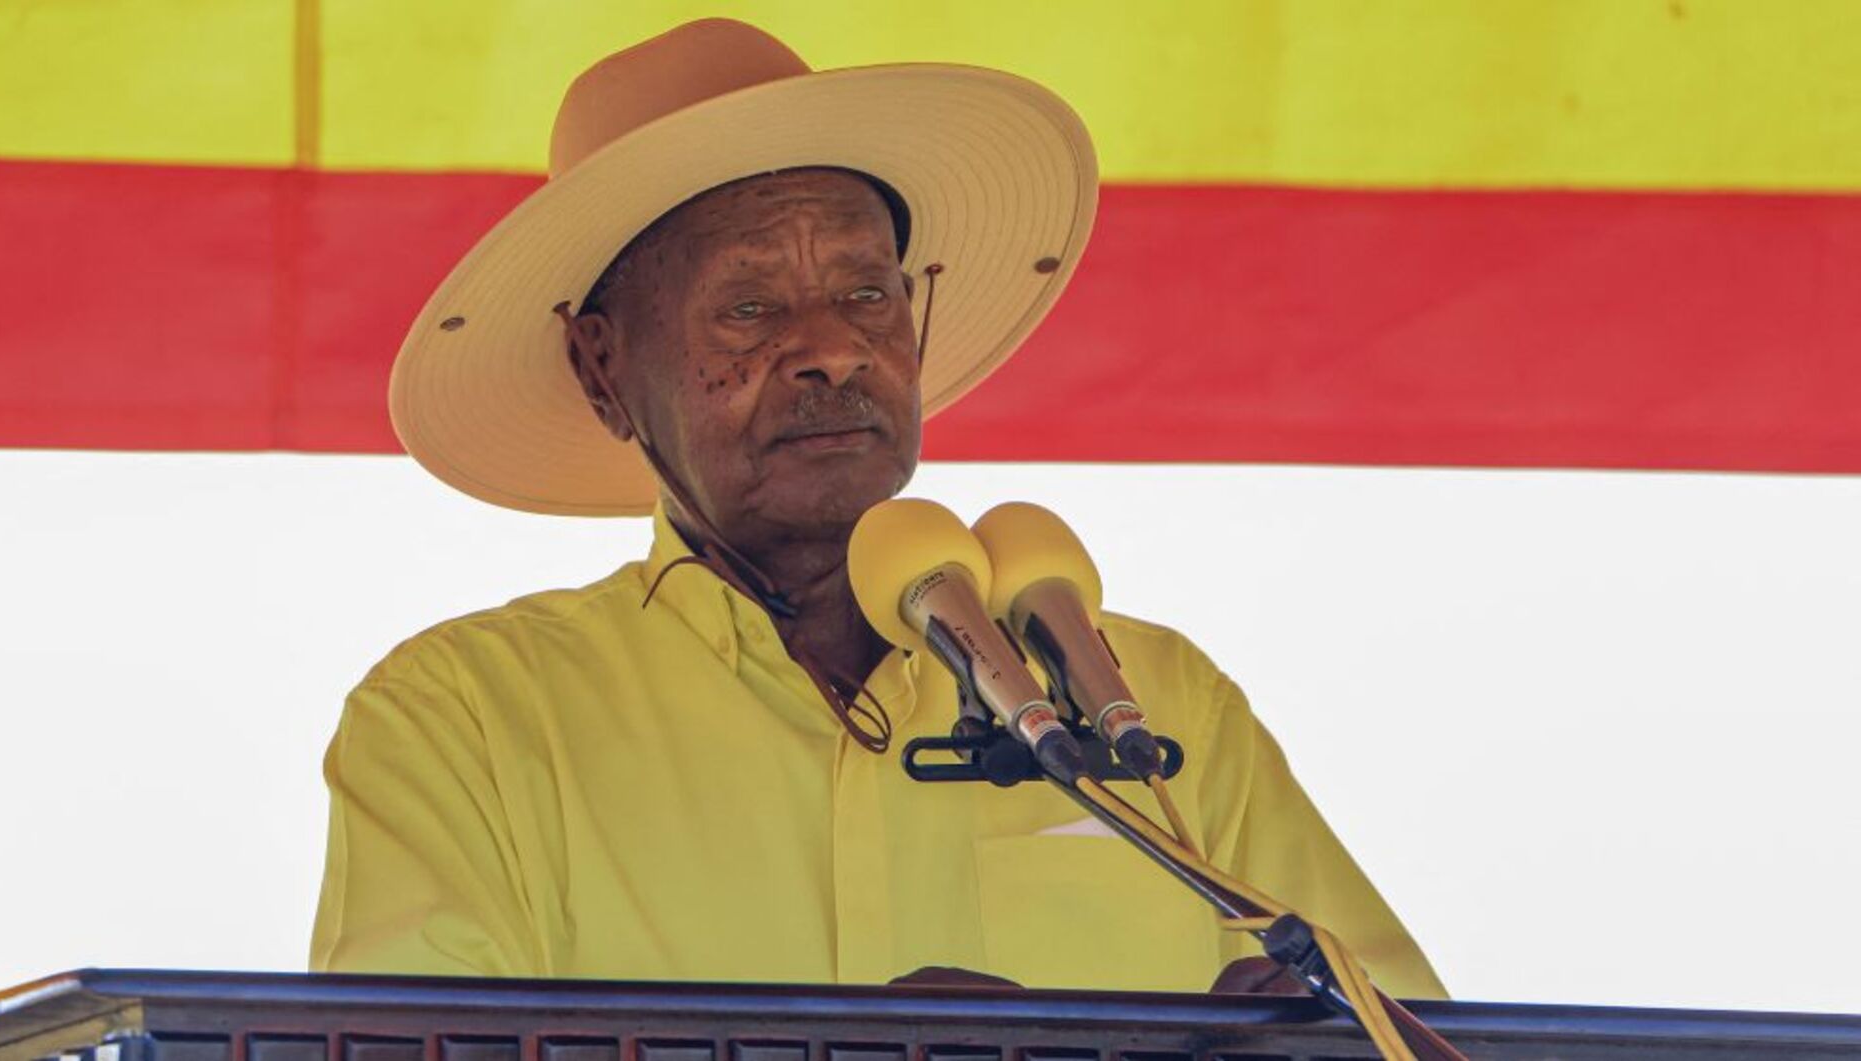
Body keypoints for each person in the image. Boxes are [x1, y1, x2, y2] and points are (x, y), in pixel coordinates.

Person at [309, 18, 1445, 999]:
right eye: (749, 308)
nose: (833, 350)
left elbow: (1412, 1031)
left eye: (866, 292)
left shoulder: (1150, 702)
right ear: (603, 368)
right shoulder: (468, 719)